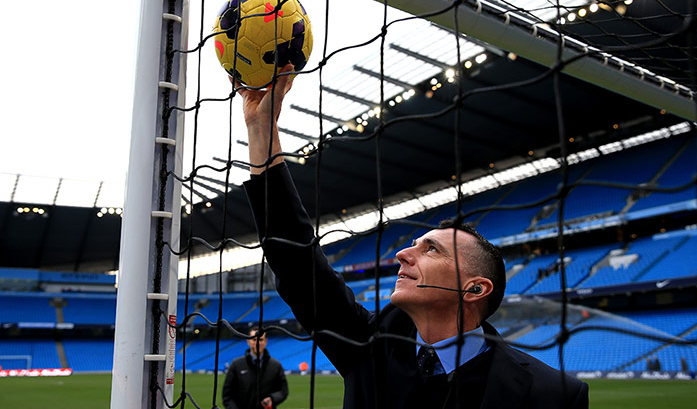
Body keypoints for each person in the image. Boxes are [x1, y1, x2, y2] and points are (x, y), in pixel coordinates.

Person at [238, 65, 589, 408]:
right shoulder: (369, 344)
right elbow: (295, 260)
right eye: (414, 244)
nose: (404, 254)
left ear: (475, 288)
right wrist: (261, 128)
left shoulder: (551, 396)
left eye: (431, 249)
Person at [222, 326, 289, 409]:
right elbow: (227, 395)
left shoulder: (275, 365)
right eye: (254, 339)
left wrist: (272, 398)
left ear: (266, 341)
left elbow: (283, 391)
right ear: (248, 341)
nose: (257, 343)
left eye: (260, 340)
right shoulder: (236, 364)